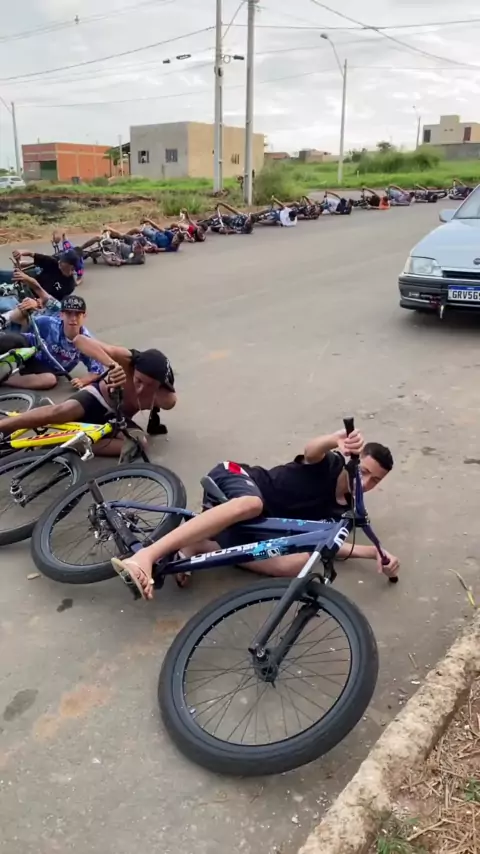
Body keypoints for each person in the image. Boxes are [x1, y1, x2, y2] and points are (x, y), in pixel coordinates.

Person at [110, 426, 399, 600]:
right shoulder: (331, 464)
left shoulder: (344, 511)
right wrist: (333, 440)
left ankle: (199, 545)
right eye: (364, 472)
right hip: (238, 480)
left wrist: (374, 553)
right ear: (352, 462)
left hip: (256, 526)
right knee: (252, 504)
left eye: (375, 480)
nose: (367, 483)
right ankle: (146, 556)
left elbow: (331, 544)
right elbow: (312, 451)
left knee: (298, 562)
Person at [0, 342, 176, 456]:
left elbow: (165, 400)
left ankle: (68, 442)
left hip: (116, 418)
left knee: (138, 444)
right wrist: (112, 364)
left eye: (149, 386)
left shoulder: (166, 398)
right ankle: (4, 425)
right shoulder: (127, 359)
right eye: (138, 380)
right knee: (61, 411)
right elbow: (80, 340)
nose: (140, 389)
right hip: (96, 399)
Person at [0, 295, 105, 391]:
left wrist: (83, 381)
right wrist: (30, 305)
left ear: (84, 316)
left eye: (77, 315)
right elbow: (22, 319)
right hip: (30, 346)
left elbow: (97, 369)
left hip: (45, 368)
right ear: (62, 315)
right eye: (69, 314)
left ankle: (4, 380)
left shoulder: (87, 341)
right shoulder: (49, 323)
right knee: (16, 338)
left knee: (50, 380)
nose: (73, 319)